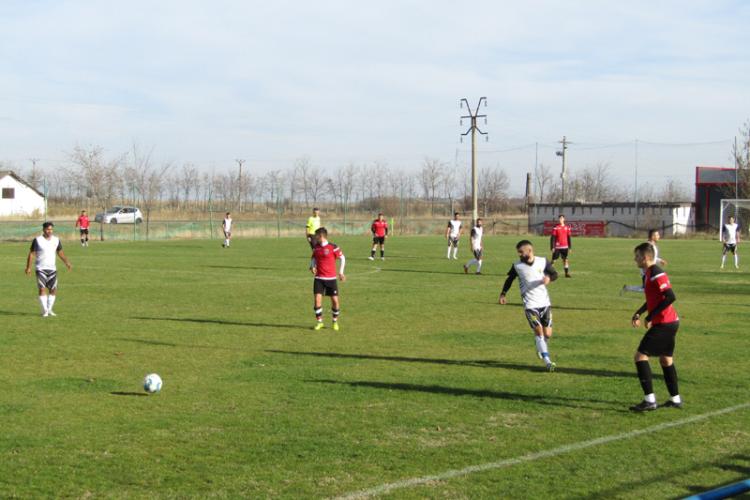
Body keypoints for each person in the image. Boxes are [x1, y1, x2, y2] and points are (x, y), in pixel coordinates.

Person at [629, 242, 682, 412]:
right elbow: (653, 298)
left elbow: (670, 296)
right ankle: (675, 400)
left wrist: (651, 316)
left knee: (640, 357)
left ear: (645, 258)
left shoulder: (656, 272)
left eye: (637, 256)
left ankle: (649, 400)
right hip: (669, 322)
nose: (635, 259)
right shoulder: (647, 274)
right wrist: (639, 312)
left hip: (665, 323)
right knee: (666, 360)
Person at [498, 240, 558, 371]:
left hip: (545, 303)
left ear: (529, 251)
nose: (519, 255)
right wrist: (503, 294)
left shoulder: (542, 261)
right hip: (530, 305)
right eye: (518, 252)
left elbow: (555, 274)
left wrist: (549, 278)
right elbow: (509, 280)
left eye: (521, 252)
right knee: (539, 331)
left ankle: (539, 344)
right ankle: (548, 361)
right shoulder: (517, 266)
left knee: (547, 334)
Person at [25, 222, 72, 317]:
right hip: (40, 268)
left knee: (53, 289)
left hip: (52, 269)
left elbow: (60, 252)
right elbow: (32, 254)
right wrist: (28, 267)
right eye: (47, 229)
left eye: (51, 229)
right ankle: (45, 311)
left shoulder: (56, 240)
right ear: (43, 230)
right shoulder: (37, 240)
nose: (49, 231)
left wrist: (66, 262)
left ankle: (49, 309)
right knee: (42, 289)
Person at [310, 227, 346, 331]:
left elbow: (342, 258)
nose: (315, 238)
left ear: (321, 236)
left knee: (335, 301)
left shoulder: (333, 247)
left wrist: (341, 272)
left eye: (316, 236)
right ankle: (319, 322)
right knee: (317, 300)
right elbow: (313, 258)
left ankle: (335, 321)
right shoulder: (316, 247)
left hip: (331, 279)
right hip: (319, 278)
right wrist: (312, 266)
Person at [621, 229, 668, 294]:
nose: (659, 236)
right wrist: (644, 271)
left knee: (648, 288)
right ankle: (627, 288)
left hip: (651, 270)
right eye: (657, 235)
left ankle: (627, 288)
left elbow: (652, 257)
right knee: (646, 289)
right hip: (646, 271)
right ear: (652, 236)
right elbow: (644, 257)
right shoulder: (647, 246)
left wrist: (660, 260)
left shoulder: (653, 246)